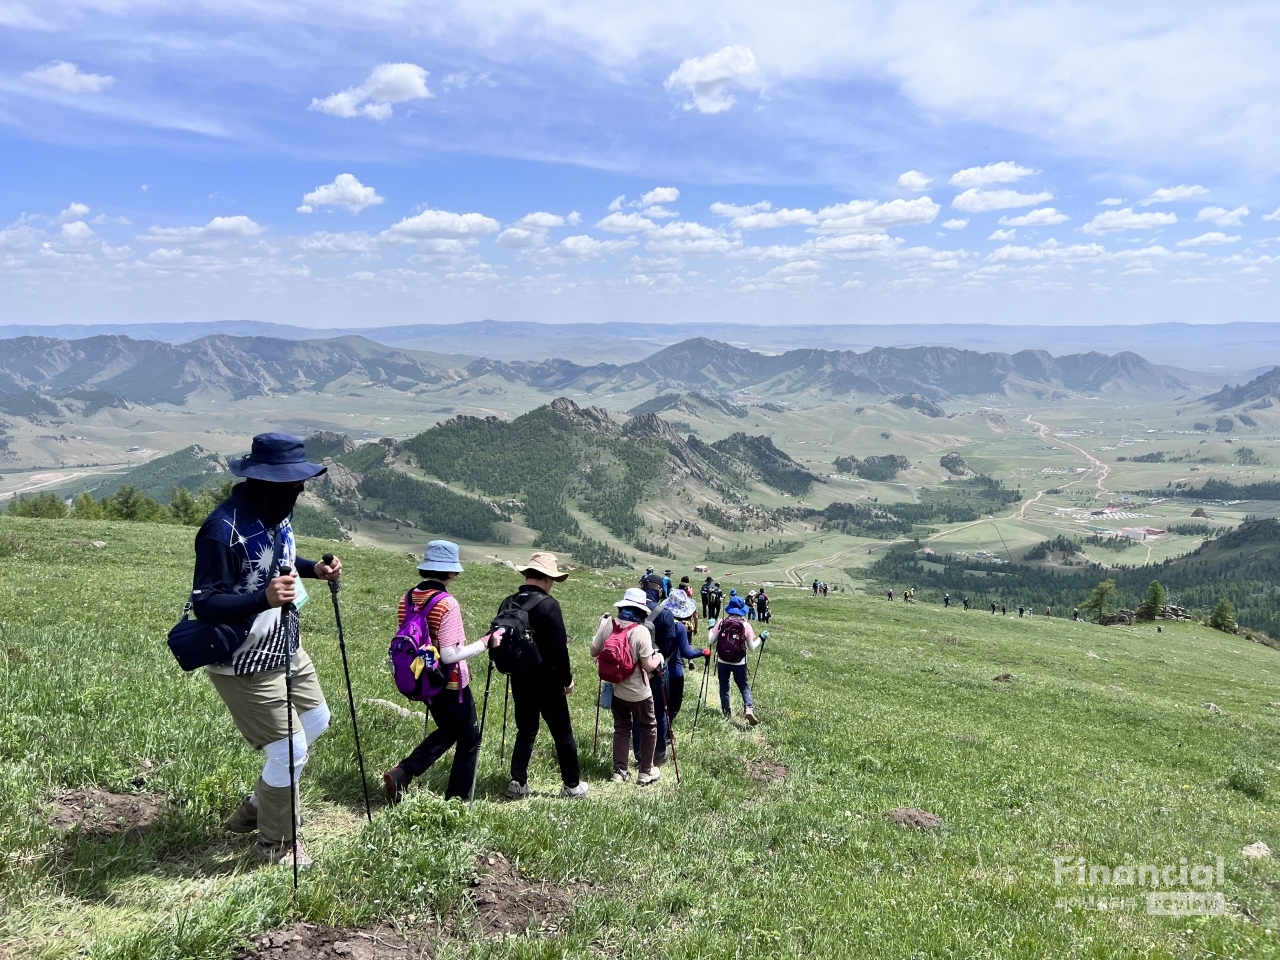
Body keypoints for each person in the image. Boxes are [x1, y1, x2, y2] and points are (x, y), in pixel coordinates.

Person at [195, 433, 340, 868]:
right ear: (264, 481)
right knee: (290, 750)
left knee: (317, 719)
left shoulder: (275, 515)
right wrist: (263, 599)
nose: (298, 491)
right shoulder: (222, 531)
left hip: (285, 643)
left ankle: (258, 804)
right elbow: (204, 603)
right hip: (241, 658)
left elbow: (276, 560)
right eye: (292, 484)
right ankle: (276, 846)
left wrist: (312, 569)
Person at [382, 541, 499, 804]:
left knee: (448, 729)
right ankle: (456, 802)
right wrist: (484, 643)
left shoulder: (408, 598)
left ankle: (403, 773)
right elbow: (449, 655)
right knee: (470, 738)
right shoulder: (447, 603)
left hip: (422, 679)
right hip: (451, 682)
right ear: (451, 572)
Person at [504, 553, 587, 799]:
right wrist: (566, 680)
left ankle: (517, 782)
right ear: (548, 579)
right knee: (562, 734)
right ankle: (572, 786)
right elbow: (559, 649)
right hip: (548, 680)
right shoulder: (549, 604)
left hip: (519, 677)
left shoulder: (509, 602)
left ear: (527, 574)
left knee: (526, 730)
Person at [592, 588, 664, 784]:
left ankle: (619, 771)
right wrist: (658, 658)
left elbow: (593, 651)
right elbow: (648, 665)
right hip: (639, 691)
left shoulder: (609, 624)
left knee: (622, 727)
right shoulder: (641, 631)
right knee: (649, 727)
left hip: (616, 687)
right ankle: (645, 772)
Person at [710, 594, 761, 724]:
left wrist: (711, 628)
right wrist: (761, 638)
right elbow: (752, 647)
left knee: (724, 686)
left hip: (722, 660)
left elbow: (711, 641)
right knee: (743, 686)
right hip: (739, 662)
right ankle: (748, 708)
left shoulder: (721, 622)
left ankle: (726, 712)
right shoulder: (746, 625)